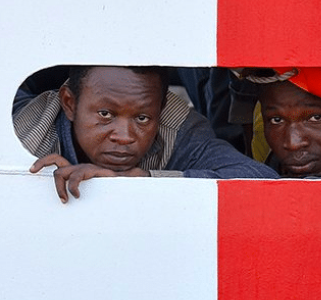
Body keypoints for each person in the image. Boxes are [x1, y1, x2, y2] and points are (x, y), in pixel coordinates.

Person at [13, 66, 279, 203]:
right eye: (105, 114)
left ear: (160, 110)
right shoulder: (27, 132)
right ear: (70, 104)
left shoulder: (178, 127)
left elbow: (264, 182)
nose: (124, 136)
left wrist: (141, 179)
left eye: (142, 118)